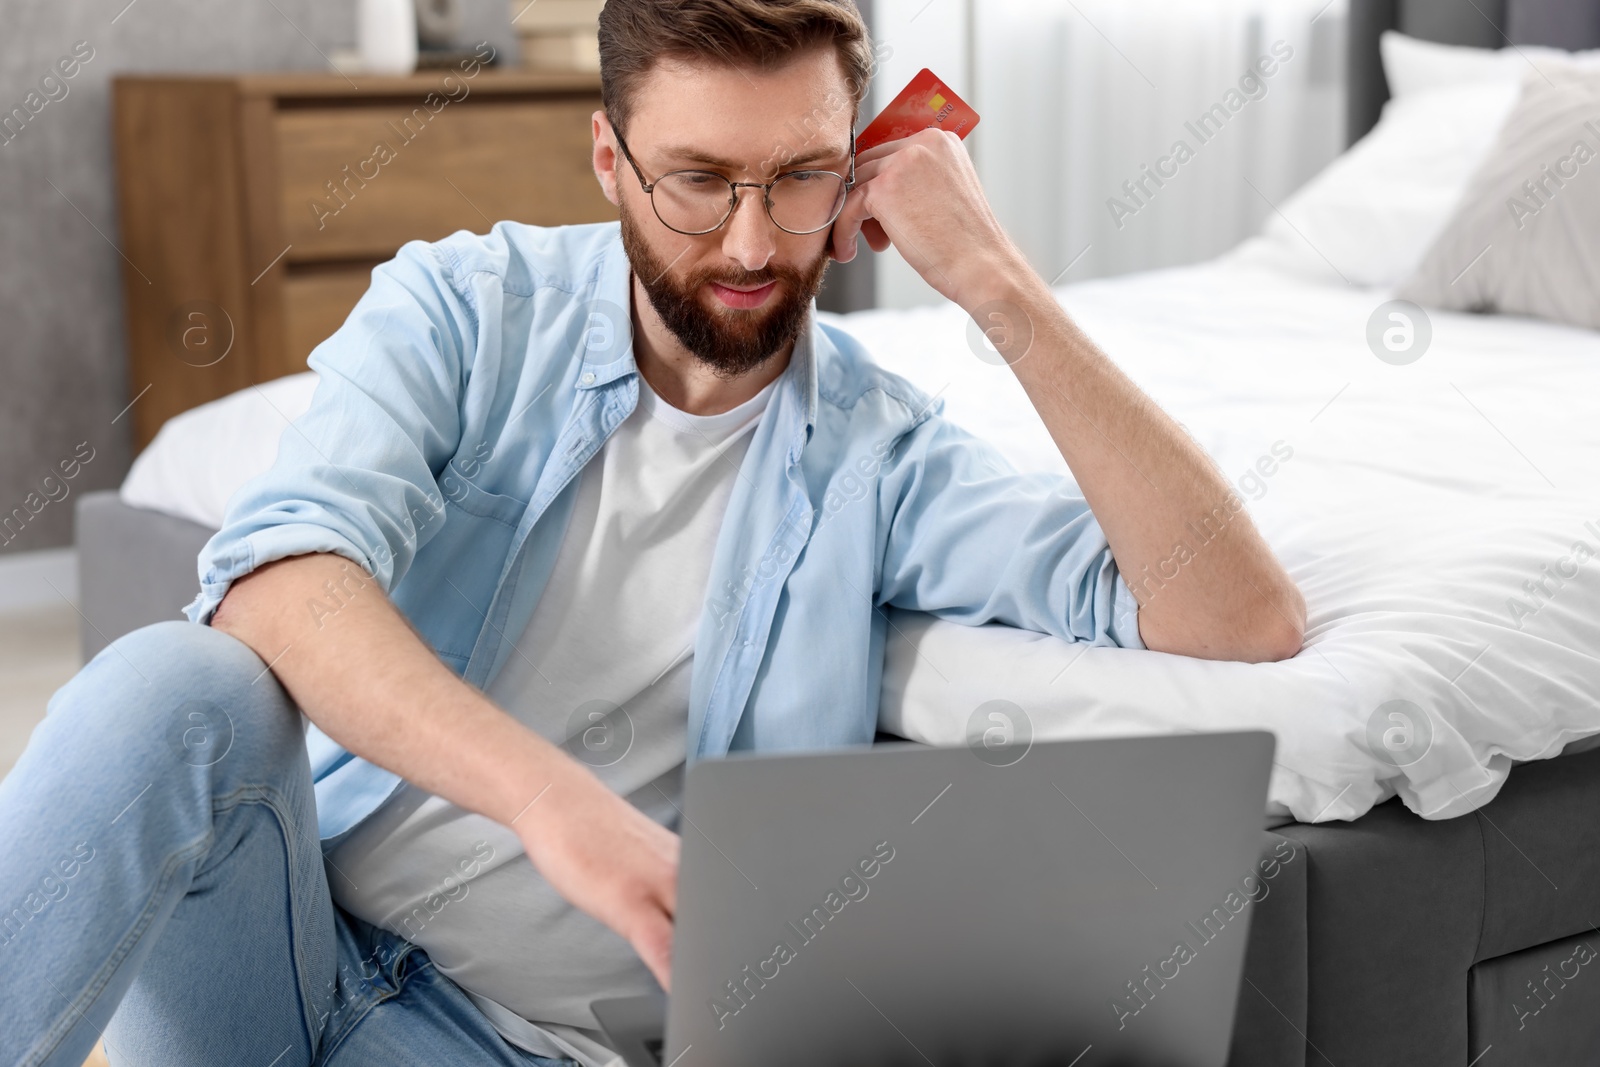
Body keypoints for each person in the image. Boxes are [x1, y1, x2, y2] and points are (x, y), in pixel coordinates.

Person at [0, 1, 1305, 1063]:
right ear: (607, 158)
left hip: (519, 1046)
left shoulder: (885, 455)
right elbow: (276, 582)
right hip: (289, 949)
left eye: (800, 180)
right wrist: (557, 806)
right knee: (172, 682)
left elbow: (1236, 616)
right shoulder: (468, 308)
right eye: (697, 182)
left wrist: (996, 279)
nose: (751, 244)